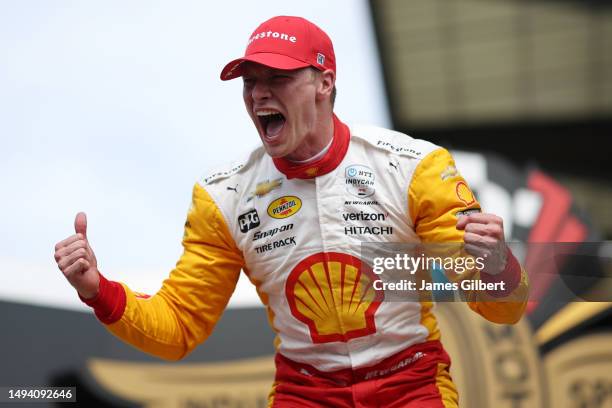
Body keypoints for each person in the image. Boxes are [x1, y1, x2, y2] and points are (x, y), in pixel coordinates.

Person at [54, 15, 528, 407]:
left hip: (411, 385)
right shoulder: (224, 197)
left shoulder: (413, 168)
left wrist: (497, 265)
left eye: (277, 78)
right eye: (250, 82)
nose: (259, 94)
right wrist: (98, 291)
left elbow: (502, 310)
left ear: (325, 83)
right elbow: (179, 327)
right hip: (307, 393)